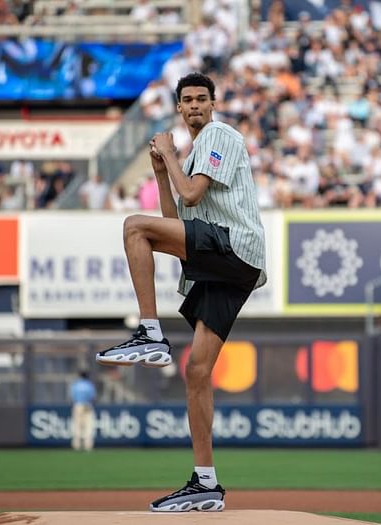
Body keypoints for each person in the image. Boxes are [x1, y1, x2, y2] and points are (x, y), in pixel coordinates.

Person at [96, 72, 266, 513]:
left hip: (235, 246)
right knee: (197, 372)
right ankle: (206, 483)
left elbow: (190, 196)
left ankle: (150, 332)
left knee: (133, 226)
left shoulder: (219, 134)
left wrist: (169, 155)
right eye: (186, 99)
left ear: (213, 104)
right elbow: (175, 218)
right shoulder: (190, 157)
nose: (194, 105)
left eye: (201, 99)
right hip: (225, 268)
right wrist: (160, 169)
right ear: (178, 107)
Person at [69, 371, 96, 451]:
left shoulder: (75, 384)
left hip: (78, 405)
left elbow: (72, 396)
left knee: (77, 425)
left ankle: (76, 445)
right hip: (87, 405)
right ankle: (88, 445)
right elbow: (93, 397)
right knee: (88, 426)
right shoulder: (89, 385)